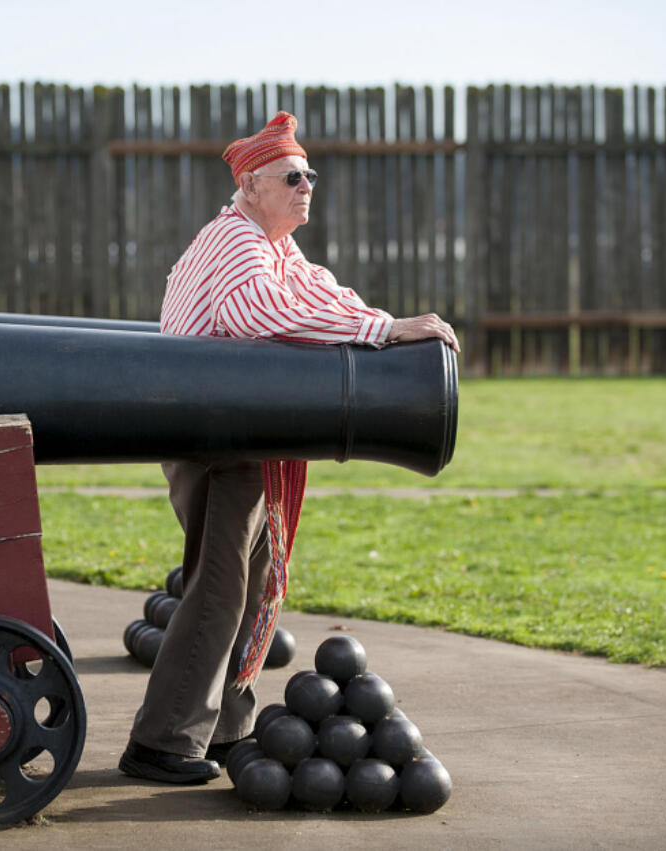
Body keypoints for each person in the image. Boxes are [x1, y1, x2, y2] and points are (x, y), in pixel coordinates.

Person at [118, 112, 460, 784]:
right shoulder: (235, 243)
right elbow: (262, 314)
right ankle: (161, 741)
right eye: (293, 176)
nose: (308, 186)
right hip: (216, 439)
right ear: (250, 185)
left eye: (311, 176)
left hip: (235, 432)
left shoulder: (270, 247)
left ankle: (222, 729)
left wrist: (388, 325)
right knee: (220, 589)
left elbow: (317, 292)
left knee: (245, 585)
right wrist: (386, 328)